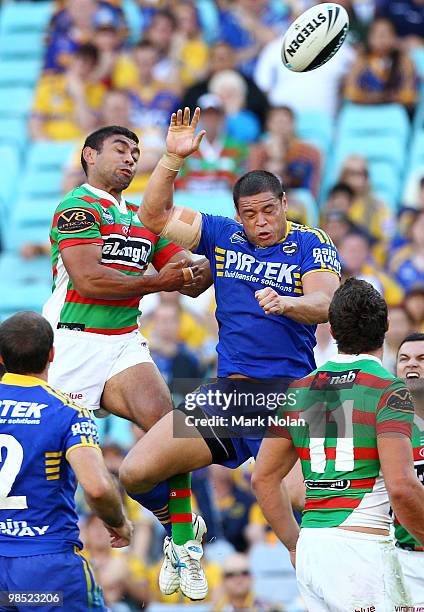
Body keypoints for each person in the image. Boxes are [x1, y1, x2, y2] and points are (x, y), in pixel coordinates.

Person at [119, 107, 340, 597]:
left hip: (295, 396)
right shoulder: (221, 235)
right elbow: (151, 217)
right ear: (238, 214)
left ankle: (319, 577)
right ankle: (186, 531)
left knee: (310, 502)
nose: (260, 222)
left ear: (286, 203)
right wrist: (172, 158)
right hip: (231, 397)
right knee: (135, 472)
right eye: (250, 214)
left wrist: (289, 303)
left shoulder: (311, 243)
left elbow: (327, 304)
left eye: (269, 210)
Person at [42, 124, 212, 600]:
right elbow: (90, 279)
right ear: (88, 155)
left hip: (121, 342)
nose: (130, 158)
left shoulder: (141, 218)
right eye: (120, 149)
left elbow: (190, 276)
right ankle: (57, 550)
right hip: (71, 345)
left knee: (168, 429)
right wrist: (162, 283)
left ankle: (182, 539)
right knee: (58, 463)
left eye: (136, 152)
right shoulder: (77, 207)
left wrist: (197, 269)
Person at [252, 278, 424, 610]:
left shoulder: (300, 390)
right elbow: (402, 488)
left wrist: (293, 545)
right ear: (386, 326)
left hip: (314, 550)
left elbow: (263, 478)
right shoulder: (389, 389)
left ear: (331, 330)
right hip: (363, 548)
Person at [0, 311, 133, 611]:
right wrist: (119, 523)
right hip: (45, 569)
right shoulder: (67, 411)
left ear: (1, 357)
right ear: (52, 354)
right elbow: (97, 488)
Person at [395, 332, 424, 606]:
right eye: (404, 358)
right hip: (403, 559)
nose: (411, 364)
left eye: (421, 358)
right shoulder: (385, 426)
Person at [30, 43, 106, 141]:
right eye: (79, 58)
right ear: (72, 59)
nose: (83, 64)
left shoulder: (97, 90)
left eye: (89, 62)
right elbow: (35, 124)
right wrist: (48, 148)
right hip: (51, 145)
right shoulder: (48, 85)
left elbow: (88, 126)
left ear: (94, 67)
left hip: (80, 148)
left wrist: (79, 94)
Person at [344, 17, 417, 112]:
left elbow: (409, 96)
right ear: (369, 38)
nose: (381, 40)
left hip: (395, 112)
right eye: (377, 35)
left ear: (395, 37)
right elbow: (350, 93)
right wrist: (369, 97)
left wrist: (387, 97)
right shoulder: (361, 59)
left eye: (386, 35)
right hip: (365, 111)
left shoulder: (403, 60)